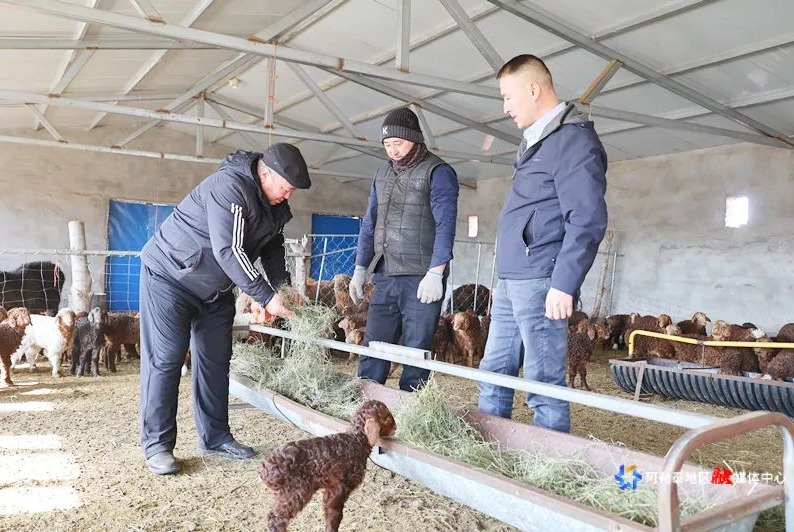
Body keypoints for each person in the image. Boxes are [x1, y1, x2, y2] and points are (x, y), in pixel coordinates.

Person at [138, 143, 311, 475]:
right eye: (285, 188)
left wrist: (282, 287)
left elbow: (272, 246)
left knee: (216, 360)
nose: (287, 195)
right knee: (166, 359)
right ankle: (158, 445)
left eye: (292, 191)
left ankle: (215, 437)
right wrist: (264, 296)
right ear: (265, 174)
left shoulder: (275, 205)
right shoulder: (229, 187)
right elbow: (229, 250)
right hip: (171, 277)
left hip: (215, 289)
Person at [477, 54, 608, 432]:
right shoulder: (535, 142)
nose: (505, 108)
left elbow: (586, 217)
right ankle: (487, 449)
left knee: (543, 380)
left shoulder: (573, 142)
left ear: (533, 89)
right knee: (493, 371)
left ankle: (549, 458)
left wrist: (564, 284)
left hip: (541, 280)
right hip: (512, 278)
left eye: (508, 97)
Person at [350, 107, 459, 392]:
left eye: (398, 142)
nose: (393, 150)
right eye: (387, 144)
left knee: (416, 349)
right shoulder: (382, 174)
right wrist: (360, 267)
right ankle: (366, 403)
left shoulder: (438, 172)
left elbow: (446, 225)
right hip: (386, 273)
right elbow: (370, 223)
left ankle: (411, 405)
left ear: (415, 139)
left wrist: (436, 272)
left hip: (421, 277)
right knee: (374, 345)